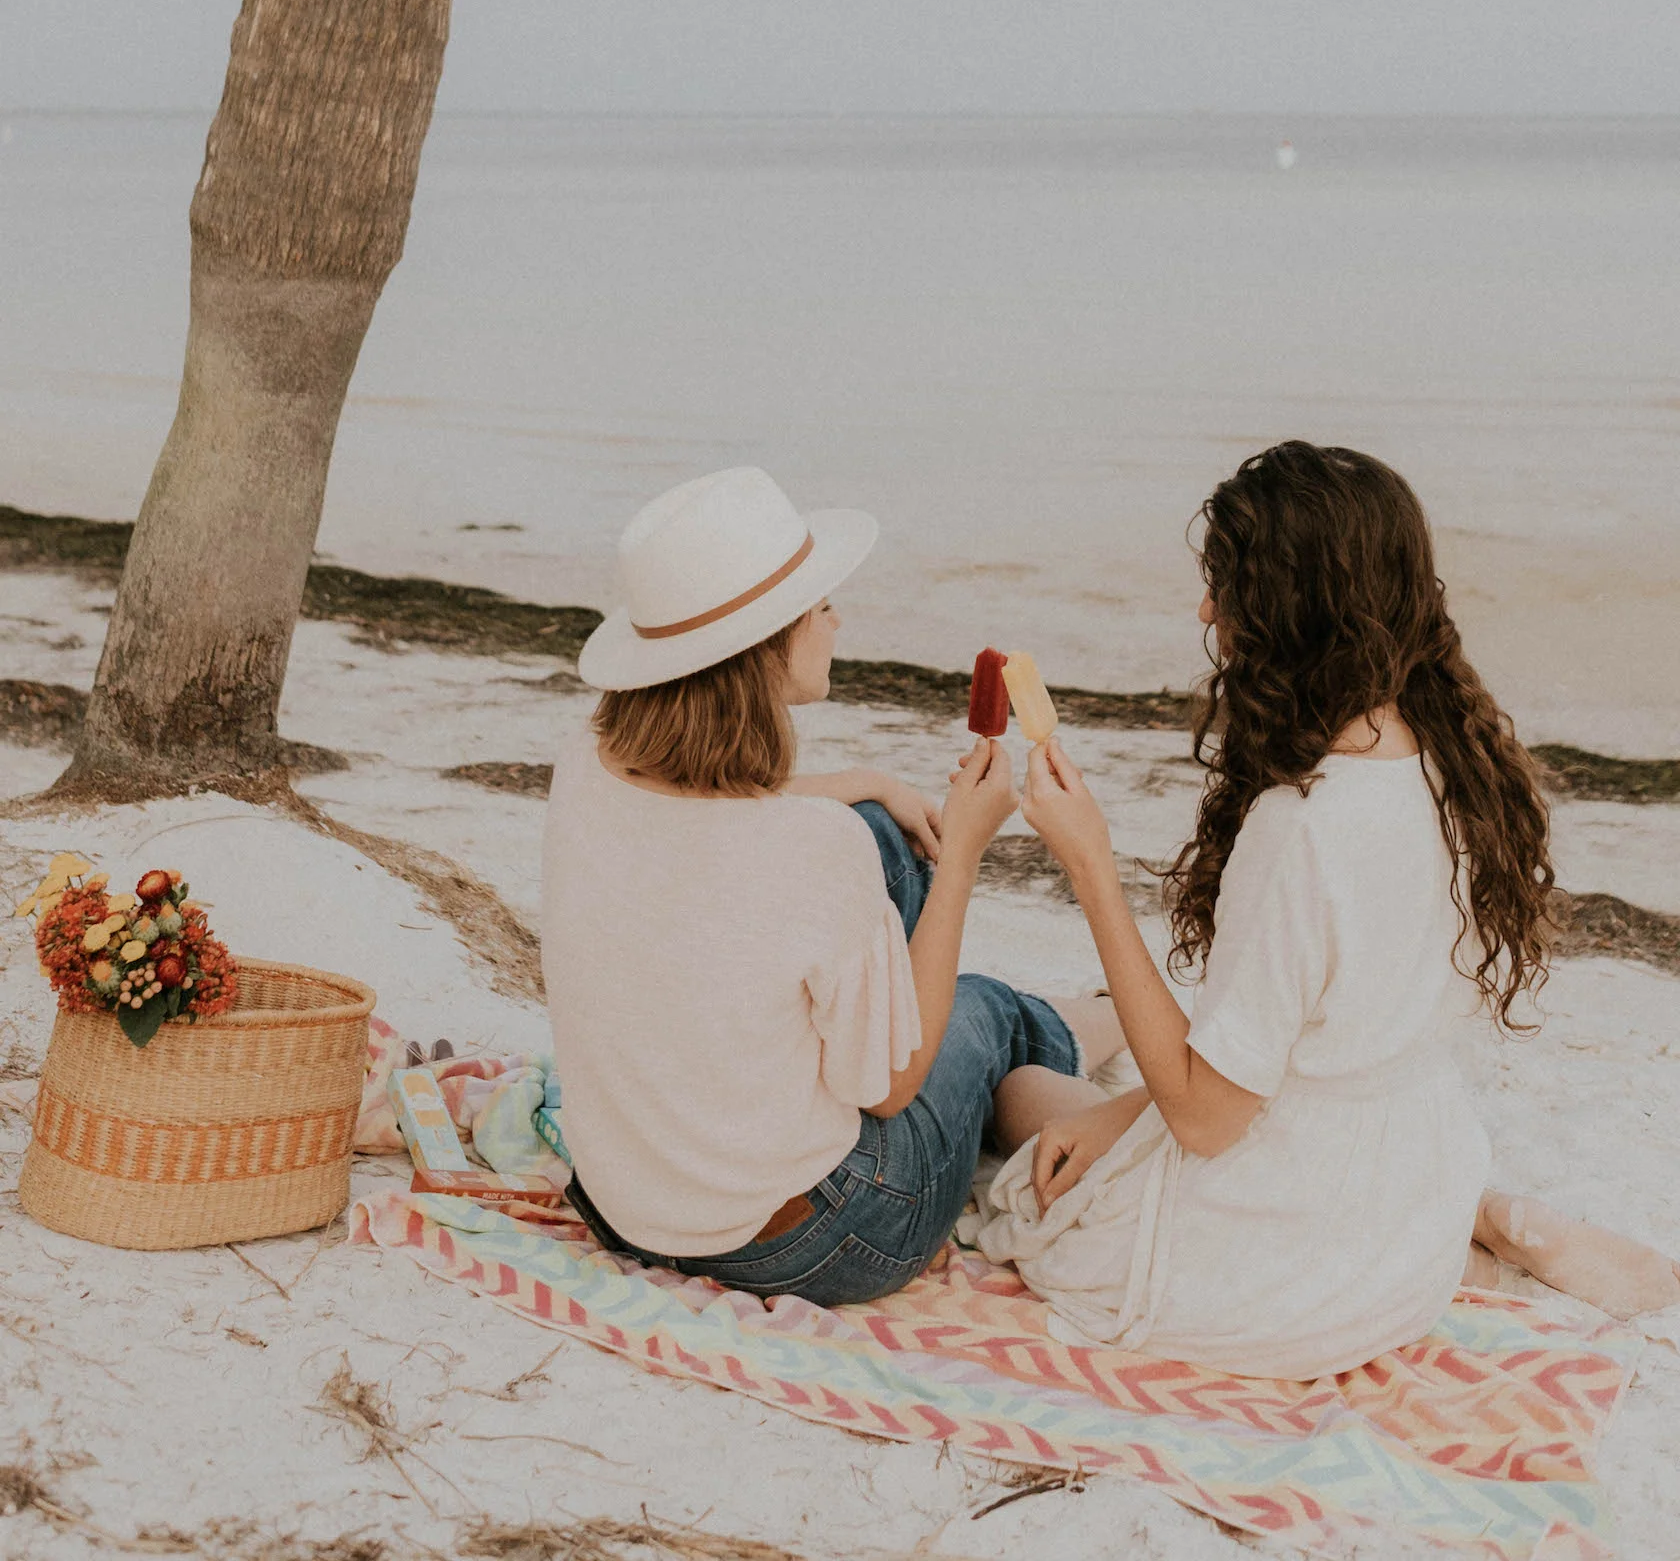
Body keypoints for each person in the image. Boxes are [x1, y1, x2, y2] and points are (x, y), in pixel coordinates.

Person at [972, 440, 1679, 1370]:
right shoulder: (1455, 758)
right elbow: (1309, 1057)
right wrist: (1114, 1122)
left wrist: (1090, 865)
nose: (1206, 610)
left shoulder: (1302, 827)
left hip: (1285, 1267)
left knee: (1021, 1096)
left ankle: (1472, 1228)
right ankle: (1476, 1222)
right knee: (1078, 1116)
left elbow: (1209, 1120)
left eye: (1224, 584)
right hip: (1405, 1194)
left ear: (1287, 611)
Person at [540, 464, 1122, 1306]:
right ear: (769, 642)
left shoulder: (587, 763)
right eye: (820, 607)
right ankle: (1100, 1022)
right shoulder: (809, 850)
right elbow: (888, 1090)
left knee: (885, 836)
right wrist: (961, 854)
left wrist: (867, 779)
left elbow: (710, 814)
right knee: (980, 1008)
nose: (836, 619)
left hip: (624, 1203)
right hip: (821, 1235)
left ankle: (961, 1017)